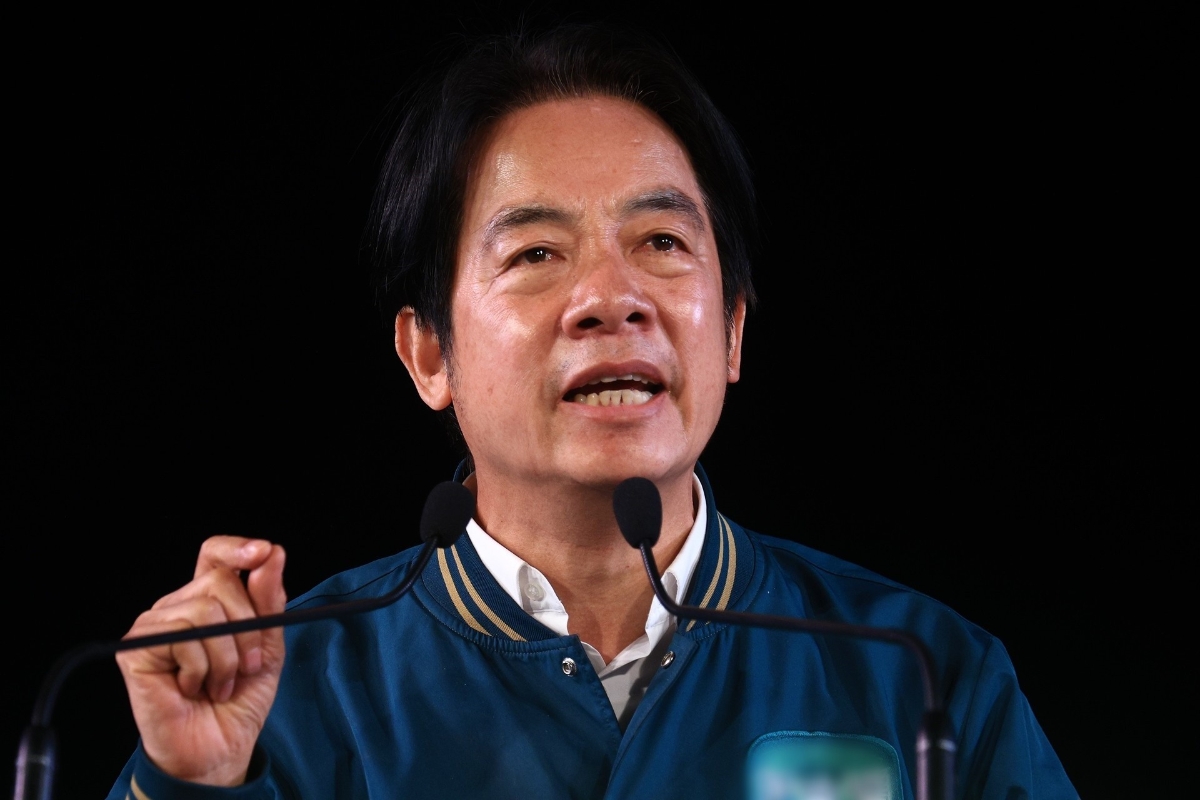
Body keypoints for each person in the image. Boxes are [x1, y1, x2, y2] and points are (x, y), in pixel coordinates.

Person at [106, 24, 1076, 799]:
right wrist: (190, 784)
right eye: (536, 253)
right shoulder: (287, 688)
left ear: (732, 333)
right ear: (430, 353)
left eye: (661, 241)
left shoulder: (925, 673)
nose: (613, 298)